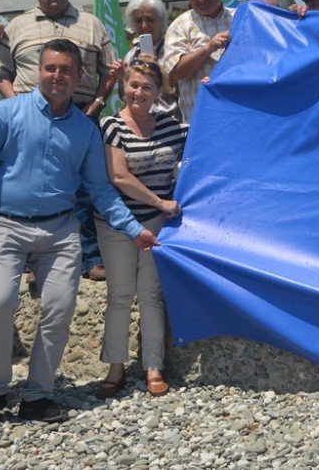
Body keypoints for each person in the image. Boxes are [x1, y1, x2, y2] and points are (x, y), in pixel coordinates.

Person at [0, 39, 158, 426]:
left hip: (60, 232)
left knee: (58, 307)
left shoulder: (86, 131)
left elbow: (100, 191)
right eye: (50, 68)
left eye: (66, 70)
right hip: (5, 225)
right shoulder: (4, 113)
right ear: (39, 71)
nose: (57, 76)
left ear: (80, 76)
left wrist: (133, 229)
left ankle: (38, 394)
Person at [0, 0, 117, 282]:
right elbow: (0, 72)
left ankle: (90, 259)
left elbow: (110, 70)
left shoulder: (92, 24)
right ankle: (34, 265)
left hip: (81, 117)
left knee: (85, 191)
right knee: (37, 186)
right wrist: (16, 106)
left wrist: (99, 102)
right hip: (27, 119)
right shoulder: (16, 27)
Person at [94, 60, 187, 399]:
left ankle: (153, 366)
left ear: (158, 92)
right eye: (134, 85)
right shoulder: (112, 125)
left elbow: (198, 149)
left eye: (147, 86)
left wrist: (209, 89)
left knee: (151, 294)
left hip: (158, 226)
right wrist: (160, 202)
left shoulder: (172, 126)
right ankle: (115, 366)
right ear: (124, 87)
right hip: (119, 225)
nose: (139, 92)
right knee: (120, 295)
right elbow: (119, 176)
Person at [162, 0, 234, 123]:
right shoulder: (179, 26)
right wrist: (208, 49)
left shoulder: (239, 19)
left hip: (236, 116)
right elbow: (174, 73)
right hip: (199, 122)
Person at [122, 0, 178, 117]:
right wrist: (121, 78)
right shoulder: (131, 55)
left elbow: (181, 89)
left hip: (169, 121)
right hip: (139, 122)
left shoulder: (173, 51)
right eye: (138, 21)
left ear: (161, 20)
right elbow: (126, 97)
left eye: (150, 20)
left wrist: (158, 71)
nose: (144, 26)